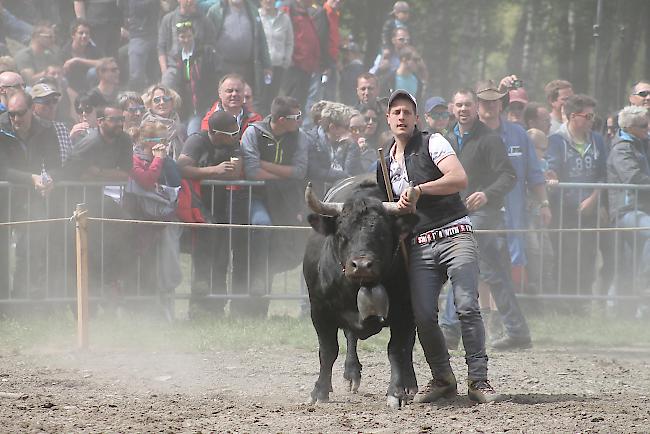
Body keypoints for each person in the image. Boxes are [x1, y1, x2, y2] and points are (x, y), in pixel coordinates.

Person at [380, 89, 500, 404]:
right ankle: (443, 378)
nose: (402, 117)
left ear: (417, 118)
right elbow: (384, 208)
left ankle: (479, 381)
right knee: (422, 314)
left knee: (466, 306)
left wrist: (419, 190)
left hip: (455, 233)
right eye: (396, 112)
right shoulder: (383, 160)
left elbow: (459, 178)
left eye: (407, 112)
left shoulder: (434, 142)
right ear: (388, 119)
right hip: (419, 244)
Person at [439, 88, 531, 351]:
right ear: (452, 108)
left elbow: (508, 176)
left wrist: (486, 194)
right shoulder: (446, 140)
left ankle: (449, 330)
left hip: (483, 215)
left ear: (475, 108)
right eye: (459, 105)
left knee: (461, 262)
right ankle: (517, 330)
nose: (463, 109)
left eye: (468, 104)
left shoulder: (489, 139)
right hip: (456, 213)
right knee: (492, 272)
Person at [475, 77, 550, 302]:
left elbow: (534, 174)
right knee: (481, 268)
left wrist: (544, 203)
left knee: (507, 267)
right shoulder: (468, 135)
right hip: (479, 214)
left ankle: (501, 322)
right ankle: (484, 319)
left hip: (514, 215)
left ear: (501, 104)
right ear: (477, 104)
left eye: (494, 101)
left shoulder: (519, 134)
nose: (489, 106)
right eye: (484, 101)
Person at [240, 95, 309, 316]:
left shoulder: (300, 137)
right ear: (280, 119)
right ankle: (258, 279)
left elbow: (299, 171)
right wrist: (283, 175)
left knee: (298, 240)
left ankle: (274, 280)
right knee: (262, 225)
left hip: (287, 199)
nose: (300, 120)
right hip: (259, 197)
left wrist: (264, 164)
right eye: (295, 117)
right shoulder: (253, 132)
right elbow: (251, 172)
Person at [177, 111, 245, 316]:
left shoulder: (233, 142)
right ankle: (198, 308)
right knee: (202, 257)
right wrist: (213, 171)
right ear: (215, 132)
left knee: (221, 257)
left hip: (222, 207)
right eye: (230, 133)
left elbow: (235, 171)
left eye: (236, 132)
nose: (235, 137)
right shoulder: (196, 141)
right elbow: (181, 167)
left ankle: (217, 307)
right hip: (197, 206)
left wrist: (223, 171)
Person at [0, 91, 64, 298]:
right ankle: (3, 301)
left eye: (20, 113)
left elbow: (56, 165)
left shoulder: (45, 129)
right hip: (4, 196)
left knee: (30, 248)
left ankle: (22, 297)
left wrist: (50, 178)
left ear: (31, 110)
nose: (16, 119)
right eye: (12, 114)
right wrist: (31, 178)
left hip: (31, 197)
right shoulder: (1, 128)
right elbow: (2, 169)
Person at [547, 94, 608, 300]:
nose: (592, 120)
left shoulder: (598, 140)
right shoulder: (556, 140)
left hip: (590, 208)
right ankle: (565, 302)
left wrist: (594, 199)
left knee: (589, 255)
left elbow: (602, 174)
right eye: (588, 116)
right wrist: (551, 176)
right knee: (567, 255)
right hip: (564, 210)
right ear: (574, 116)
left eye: (593, 116)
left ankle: (583, 300)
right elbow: (552, 167)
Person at [127, 120, 183, 316]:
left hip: (164, 220)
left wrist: (164, 161)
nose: (164, 145)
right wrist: (158, 160)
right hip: (141, 221)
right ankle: (139, 311)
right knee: (143, 265)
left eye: (165, 140)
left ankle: (166, 310)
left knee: (167, 263)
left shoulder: (166, 161)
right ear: (146, 141)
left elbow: (177, 183)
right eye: (159, 140)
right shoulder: (133, 158)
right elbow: (146, 181)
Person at [607, 105, 650, 315]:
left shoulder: (644, 143)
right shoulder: (622, 148)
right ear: (630, 127)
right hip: (626, 211)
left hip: (643, 210)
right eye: (643, 125)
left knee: (629, 262)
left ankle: (621, 309)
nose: (647, 128)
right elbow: (632, 178)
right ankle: (645, 285)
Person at [207, 0, 271, 98]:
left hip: (247, 67)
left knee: (245, 101)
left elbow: (261, 39)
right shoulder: (215, 11)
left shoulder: (252, 10)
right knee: (224, 101)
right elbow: (207, 39)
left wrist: (267, 64)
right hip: (223, 68)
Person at [162, 21, 218, 135]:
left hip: (204, 103)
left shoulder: (205, 53)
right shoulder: (177, 56)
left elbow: (214, 77)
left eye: (189, 36)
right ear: (178, 38)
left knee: (193, 132)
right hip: (187, 106)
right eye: (182, 37)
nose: (186, 40)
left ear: (193, 35)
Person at [307, 102, 363, 197]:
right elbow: (315, 171)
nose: (350, 130)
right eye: (346, 127)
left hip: (344, 195)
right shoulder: (310, 141)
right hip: (315, 196)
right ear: (333, 128)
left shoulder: (350, 144)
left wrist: (352, 145)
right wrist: (343, 176)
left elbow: (353, 175)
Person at [157, 0, 216, 79]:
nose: (190, 1)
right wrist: (164, 72)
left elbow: (211, 45)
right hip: (174, 67)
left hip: (198, 67)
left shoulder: (205, 21)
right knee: (167, 82)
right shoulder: (168, 19)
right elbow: (161, 47)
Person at [281, 0, 320, 111]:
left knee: (299, 105)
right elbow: (284, 33)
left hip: (306, 67)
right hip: (294, 65)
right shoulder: (289, 8)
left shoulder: (307, 12)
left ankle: (295, 126)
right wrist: (290, 57)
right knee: (290, 104)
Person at [259, 0, 293, 114]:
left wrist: (286, 61)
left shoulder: (284, 18)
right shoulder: (257, 16)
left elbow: (289, 42)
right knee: (259, 99)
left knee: (273, 99)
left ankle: (270, 125)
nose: (268, 1)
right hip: (260, 66)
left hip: (278, 66)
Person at [120, 0, 161, 91]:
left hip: (156, 35)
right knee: (136, 76)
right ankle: (134, 100)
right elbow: (140, 7)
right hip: (138, 36)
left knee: (154, 76)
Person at [30, 83, 73, 164]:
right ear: (33, 106)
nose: (52, 105)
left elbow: (68, 160)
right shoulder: (27, 127)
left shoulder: (61, 128)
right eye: (46, 102)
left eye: (54, 101)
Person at [142, 84, 186, 160]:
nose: (162, 102)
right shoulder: (145, 125)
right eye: (157, 100)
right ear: (150, 104)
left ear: (172, 102)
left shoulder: (180, 127)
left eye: (166, 99)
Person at [61, 18, 102, 94]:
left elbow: (104, 63)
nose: (84, 36)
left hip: (89, 85)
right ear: (73, 35)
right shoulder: (65, 51)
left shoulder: (93, 49)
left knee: (93, 72)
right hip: (71, 87)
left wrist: (77, 60)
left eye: (87, 33)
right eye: (81, 33)